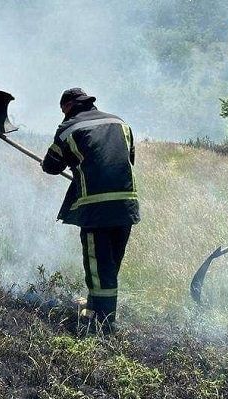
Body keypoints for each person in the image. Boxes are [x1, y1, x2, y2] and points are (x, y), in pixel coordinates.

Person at [41, 88, 140, 333]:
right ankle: (97, 303)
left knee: (98, 262)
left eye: (62, 110)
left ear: (68, 106)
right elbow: (127, 158)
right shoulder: (120, 123)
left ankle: (103, 322)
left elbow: (51, 166)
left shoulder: (68, 129)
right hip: (126, 203)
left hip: (97, 208)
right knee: (111, 261)